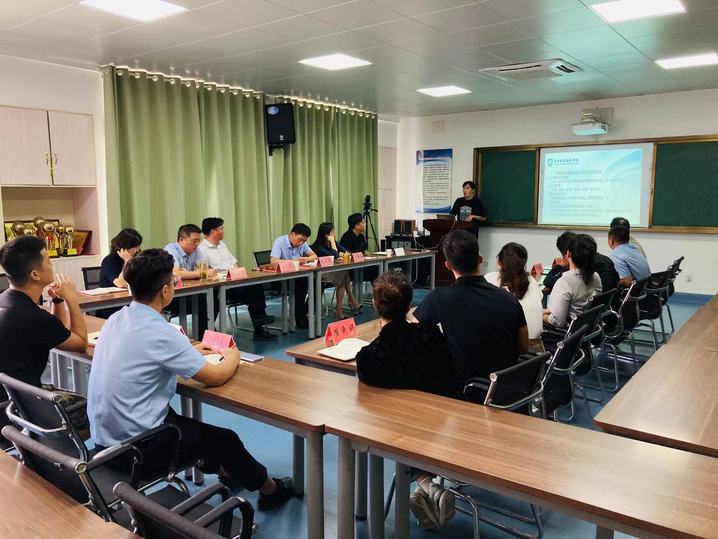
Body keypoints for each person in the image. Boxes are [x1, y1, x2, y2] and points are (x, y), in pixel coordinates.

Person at [87, 249, 294, 509]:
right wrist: (233, 354)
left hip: (104, 441)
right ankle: (271, 490)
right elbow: (216, 376)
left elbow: (147, 355)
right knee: (225, 440)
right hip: (138, 450)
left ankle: (230, 472)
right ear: (165, 290)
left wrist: (188, 352)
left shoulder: (116, 319)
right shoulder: (160, 332)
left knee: (196, 432)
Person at [356, 270, 456, 530]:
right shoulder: (432, 335)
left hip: (394, 431)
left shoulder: (370, 356)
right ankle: (428, 485)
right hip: (440, 422)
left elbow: (367, 400)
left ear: (376, 305)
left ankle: (425, 485)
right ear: (410, 304)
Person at [412, 230, 528, 395]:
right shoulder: (509, 299)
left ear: (448, 265)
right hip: (507, 390)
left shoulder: (439, 298)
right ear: (480, 259)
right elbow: (523, 347)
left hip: (466, 392)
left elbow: (413, 331)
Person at [0, 236, 89, 439]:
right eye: (48, 262)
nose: (52, 266)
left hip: (10, 395)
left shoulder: (7, 302)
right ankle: (53, 449)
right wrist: (72, 300)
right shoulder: (31, 316)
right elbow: (80, 343)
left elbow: (57, 333)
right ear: (35, 274)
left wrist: (57, 300)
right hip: (25, 403)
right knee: (91, 409)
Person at [198, 217, 275, 341]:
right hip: (221, 287)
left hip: (234, 281)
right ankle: (259, 322)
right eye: (221, 228)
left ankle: (260, 321)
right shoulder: (201, 249)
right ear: (213, 231)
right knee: (250, 291)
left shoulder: (222, 245)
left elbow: (234, 264)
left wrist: (238, 273)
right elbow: (208, 272)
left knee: (255, 284)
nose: (224, 231)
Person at [484, 243, 545, 353]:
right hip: (538, 351)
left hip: (516, 351)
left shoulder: (490, 278)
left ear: (499, 261)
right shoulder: (531, 280)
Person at [164, 224, 215, 339]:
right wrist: (196, 273)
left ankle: (206, 332)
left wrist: (188, 273)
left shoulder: (196, 249)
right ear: (182, 239)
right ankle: (204, 335)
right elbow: (176, 274)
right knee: (203, 300)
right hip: (173, 296)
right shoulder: (170, 249)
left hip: (190, 292)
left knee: (212, 296)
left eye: (198, 241)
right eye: (194, 241)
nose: (197, 244)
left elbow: (205, 270)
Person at [543, 234, 602, 329]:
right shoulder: (596, 277)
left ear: (568, 254)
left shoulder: (565, 282)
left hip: (567, 334)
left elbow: (557, 322)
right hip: (588, 330)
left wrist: (540, 315)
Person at [310, 222, 361, 320]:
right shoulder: (318, 247)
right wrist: (334, 244)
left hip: (333, 272)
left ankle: (340, 307)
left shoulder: (333, 243)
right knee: (344, 273)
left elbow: (348, 252)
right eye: (332, 232)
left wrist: (341, 252)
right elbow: (335, 257)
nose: (334, 233)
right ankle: (349, 300)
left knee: (343, 273)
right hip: (321, 274)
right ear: (326, 235)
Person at [270, 223, 317, 329]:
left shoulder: (302, 243)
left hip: (298, 277)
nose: (301, 243)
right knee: (302, 283)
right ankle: (300, 317)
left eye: (304, 241)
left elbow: (314, 256)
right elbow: (273, 261)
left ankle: (302, 313)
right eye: (300, 240)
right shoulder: (280, 241)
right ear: (293, 234)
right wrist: (293, 261)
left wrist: (306, 259)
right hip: (281, 279)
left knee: (317, 284)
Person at [543, 231, 619, 298]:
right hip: (607, 305)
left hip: (589, 307)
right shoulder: (607, 260)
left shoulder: (577, 266)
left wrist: (560, 266)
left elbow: (548, 282)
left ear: (568, 253)